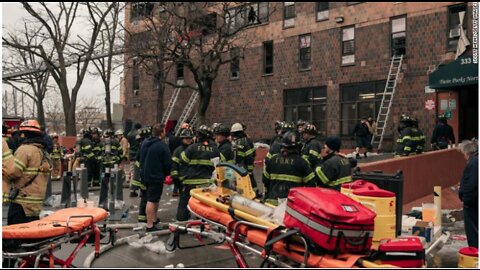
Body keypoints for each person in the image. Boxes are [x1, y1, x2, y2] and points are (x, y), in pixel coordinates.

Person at [3, 120, 52, 225]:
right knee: (31, 237)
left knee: (14, 236)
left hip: (21, 202)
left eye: (21, 134)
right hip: (35, 205)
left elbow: (13, 172)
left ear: (25, 134)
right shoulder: (43, 152)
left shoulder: (24, 150)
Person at [177, 125, 223, 221]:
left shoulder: (191, 148)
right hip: (206, 184)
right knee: (205, 205)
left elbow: (182, 160)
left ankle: (181, 224)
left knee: (184, 203)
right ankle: (204, 224)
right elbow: (221, 163)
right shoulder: (215, 149)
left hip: (190, 183)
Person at [263, 131, 316, 206]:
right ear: (298, 147)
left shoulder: (272, 160)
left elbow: (265, 180)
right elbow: (311, 184)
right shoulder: (302, 162)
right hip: (292, 206)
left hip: (272, 204)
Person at [139, 123, 172, 231]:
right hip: (156, 176)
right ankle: (150, 224)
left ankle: (154, 219)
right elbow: (167, 163)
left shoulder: (145, 143)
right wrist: (167, 173)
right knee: (152, 200)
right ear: (161, 133)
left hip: (145, 175)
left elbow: (139, 158)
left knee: (153, 199)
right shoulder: (162, 146)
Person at [458, 140, 478, 248]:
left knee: (473, 232)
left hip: (472, 202)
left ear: (467, 152)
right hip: (474, 199)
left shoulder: (474, 162)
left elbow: (472, 184)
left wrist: (466, 199)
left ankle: (475, 255)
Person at [231, 122, 259, 196]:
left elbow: (249, 156)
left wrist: (249, 169)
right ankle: (254, 193)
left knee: (248, 181)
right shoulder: (244, 141)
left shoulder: (239, 142)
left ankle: (253, 193)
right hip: (243, 166)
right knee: (249, 180)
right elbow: (251, 154)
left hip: (242, 167)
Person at [171, 128, 194, 199]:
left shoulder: (195, 149)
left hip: (194, 180)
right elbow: (174, 166)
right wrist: (176, 179)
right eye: (186, 138)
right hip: (183, 182)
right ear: (182, 139)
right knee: (183, 203)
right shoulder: (178, 151)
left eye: (190, 138)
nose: (188, 139)